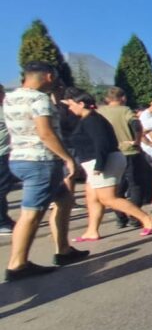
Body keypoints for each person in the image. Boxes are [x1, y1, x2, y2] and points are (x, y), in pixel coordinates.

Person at [4, 62, 89, 281]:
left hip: (19, 157)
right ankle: (17, 264)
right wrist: (68, 158)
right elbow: (45, 133)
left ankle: (64, 250)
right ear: (49, 76)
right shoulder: (39, 99)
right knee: (31, 214)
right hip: (41, 161)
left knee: (64, 199)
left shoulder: (11, 98)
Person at [60, 88, 152, 241]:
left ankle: (148, 219)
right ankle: (92, 231)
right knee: (92, 197)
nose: (70, 108)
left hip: (104, 161)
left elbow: (101, 143)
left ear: (81, 104)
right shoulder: (87, 119)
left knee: (108, 198)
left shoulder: (93, 120)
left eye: (71, 105)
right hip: (98, 162)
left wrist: (99, 165)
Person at [96, 87, 146, 228]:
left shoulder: (100, 112)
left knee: (116, 186)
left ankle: (120, 217)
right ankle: (135, 217)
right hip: (129, 151)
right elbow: (137, 125)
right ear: (123, 98)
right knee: (135, 184)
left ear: (107, 98)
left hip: (110, 152)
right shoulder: (125, 110)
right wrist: (137, 141)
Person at [0, 84, 15, 235]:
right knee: (2, 188)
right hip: (2, 154)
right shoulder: (3, 111)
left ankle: (4, 219)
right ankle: (1, 222)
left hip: (4, 153)